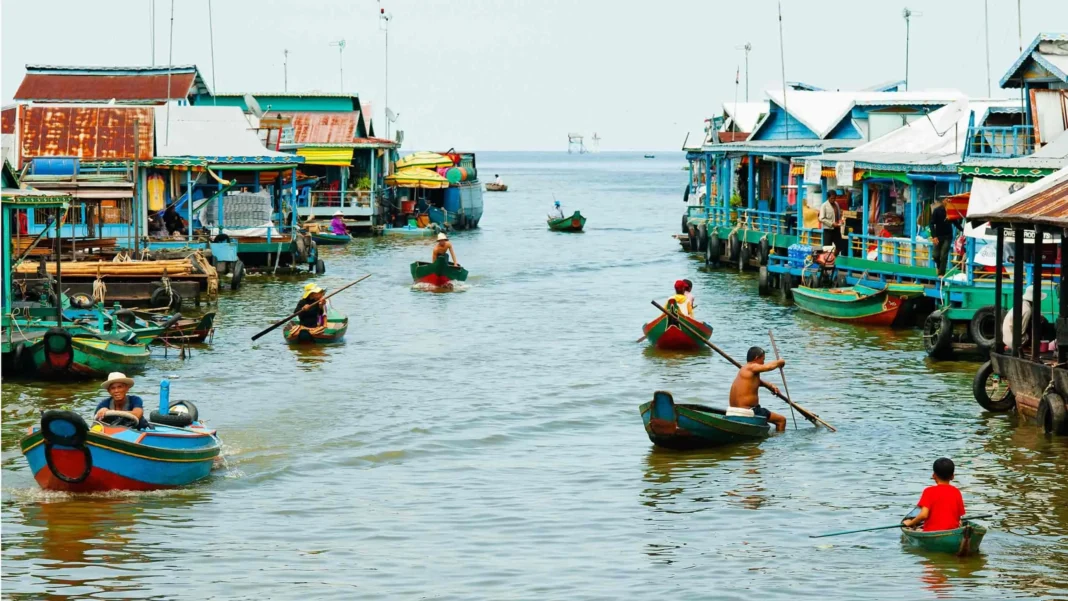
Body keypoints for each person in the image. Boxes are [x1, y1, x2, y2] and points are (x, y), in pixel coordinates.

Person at [728, 346, 788, 432]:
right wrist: (780, 362)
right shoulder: (751, 367)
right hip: (749, 410)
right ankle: (779, 442)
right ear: (756, 358)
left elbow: (757, 382)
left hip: (734, 410)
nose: (763, 363)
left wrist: (771, 386)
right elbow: (768, 367)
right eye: (763, 360)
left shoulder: (744, 370)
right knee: (781, 420)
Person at [901, 457, 966, 532]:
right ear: (952, 476)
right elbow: (959, 516)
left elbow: (923, 515)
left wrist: (910, 523)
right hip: (953, 531)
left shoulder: (929, 491)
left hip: (931, 531)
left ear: (934, 475)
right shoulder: (956, 491)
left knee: (916, 528)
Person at [1002, 285, 1046, 351]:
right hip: (1014, 341)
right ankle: (1028, 348)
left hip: (1007, 338)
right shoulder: (1027, 310)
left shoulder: (1022, 305)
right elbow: (1021, 331)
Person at [930, 198, 960, 276]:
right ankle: (939, 266)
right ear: (943, 201)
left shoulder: (951, 211)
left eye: (950, 201)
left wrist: (963, 229)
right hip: (938, 236)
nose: (948, 202)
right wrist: (934, 236)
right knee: (935, 255)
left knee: (943, 255)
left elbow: (956, 222)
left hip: (948, 236)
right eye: (947, 200)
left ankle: (941, 274)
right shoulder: (937, 210)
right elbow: (931, 224)